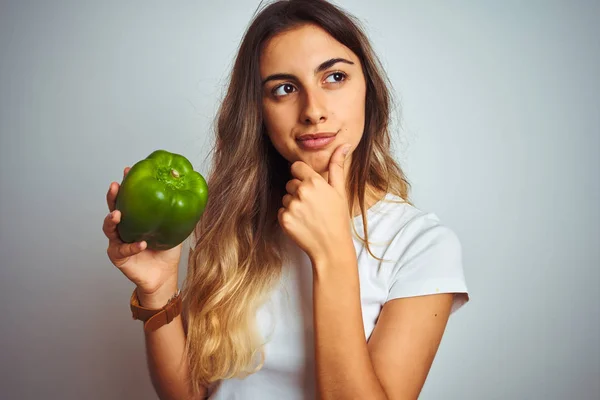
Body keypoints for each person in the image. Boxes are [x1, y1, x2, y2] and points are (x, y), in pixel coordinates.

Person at [102, 0, 469, 399]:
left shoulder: (422, 245)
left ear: (369, 90)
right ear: (258, 111)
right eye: (284, 88)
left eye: (334, 77)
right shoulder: (234, 227)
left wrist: (333, 254)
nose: (313, 110)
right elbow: (190, 395)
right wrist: (158, 293)